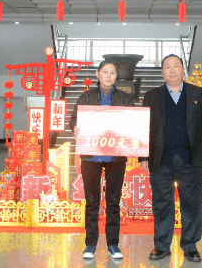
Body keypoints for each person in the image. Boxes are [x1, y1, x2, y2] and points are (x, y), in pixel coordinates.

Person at [139, 54, 202, 263]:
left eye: (176, 66)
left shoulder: (196, 92)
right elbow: (144, 127)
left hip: (190, 158)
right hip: (160, 158)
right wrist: (143, 156)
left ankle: (190, 246)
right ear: (162, 72)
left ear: (183, 69)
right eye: (167, 67)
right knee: (162, 203)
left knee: (191, 202)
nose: (172, 70)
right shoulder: (152, 95)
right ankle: (161, 246)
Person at [69, 60, 135, 261]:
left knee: (113, 201)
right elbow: (74, 119)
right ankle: (90, 243)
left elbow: (133, 122)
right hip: (91, 155)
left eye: (112, 72)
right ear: (97, 74)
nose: (108, 75)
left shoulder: (125, 98)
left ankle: (113, 244)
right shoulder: (86, 96)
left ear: (116, 76)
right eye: (105, 72)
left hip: (116, 156)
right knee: (92, 201)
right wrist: (75, 128)